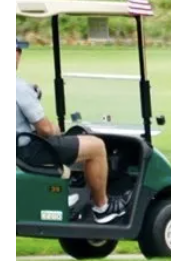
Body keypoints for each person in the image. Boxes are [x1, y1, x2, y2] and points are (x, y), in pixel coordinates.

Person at [16, 38, 125, 223]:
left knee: (73, 145)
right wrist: (56, 130)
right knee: (97, 147)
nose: (19, 55)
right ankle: (102, 208)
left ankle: (71, 193)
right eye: (17, 51)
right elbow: (46, 130)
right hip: (28, 151)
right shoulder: (18, 87)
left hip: (17, 148)